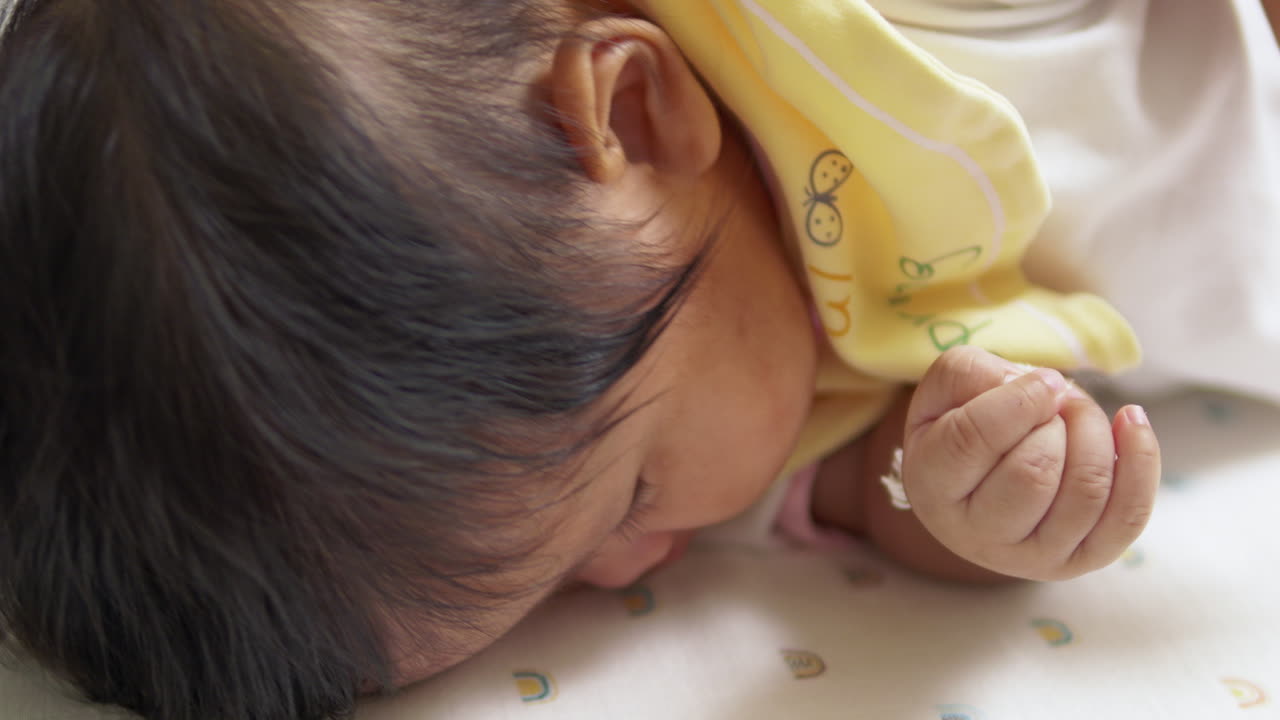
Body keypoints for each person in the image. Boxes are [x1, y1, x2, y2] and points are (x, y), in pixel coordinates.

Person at [20, 0, 1280, 719]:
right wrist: (973, 501)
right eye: (568, 587)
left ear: (629, 118)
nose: (638, 564)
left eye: (622, 499)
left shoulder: (879, 24)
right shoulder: (657, 362)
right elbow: (869, 487)